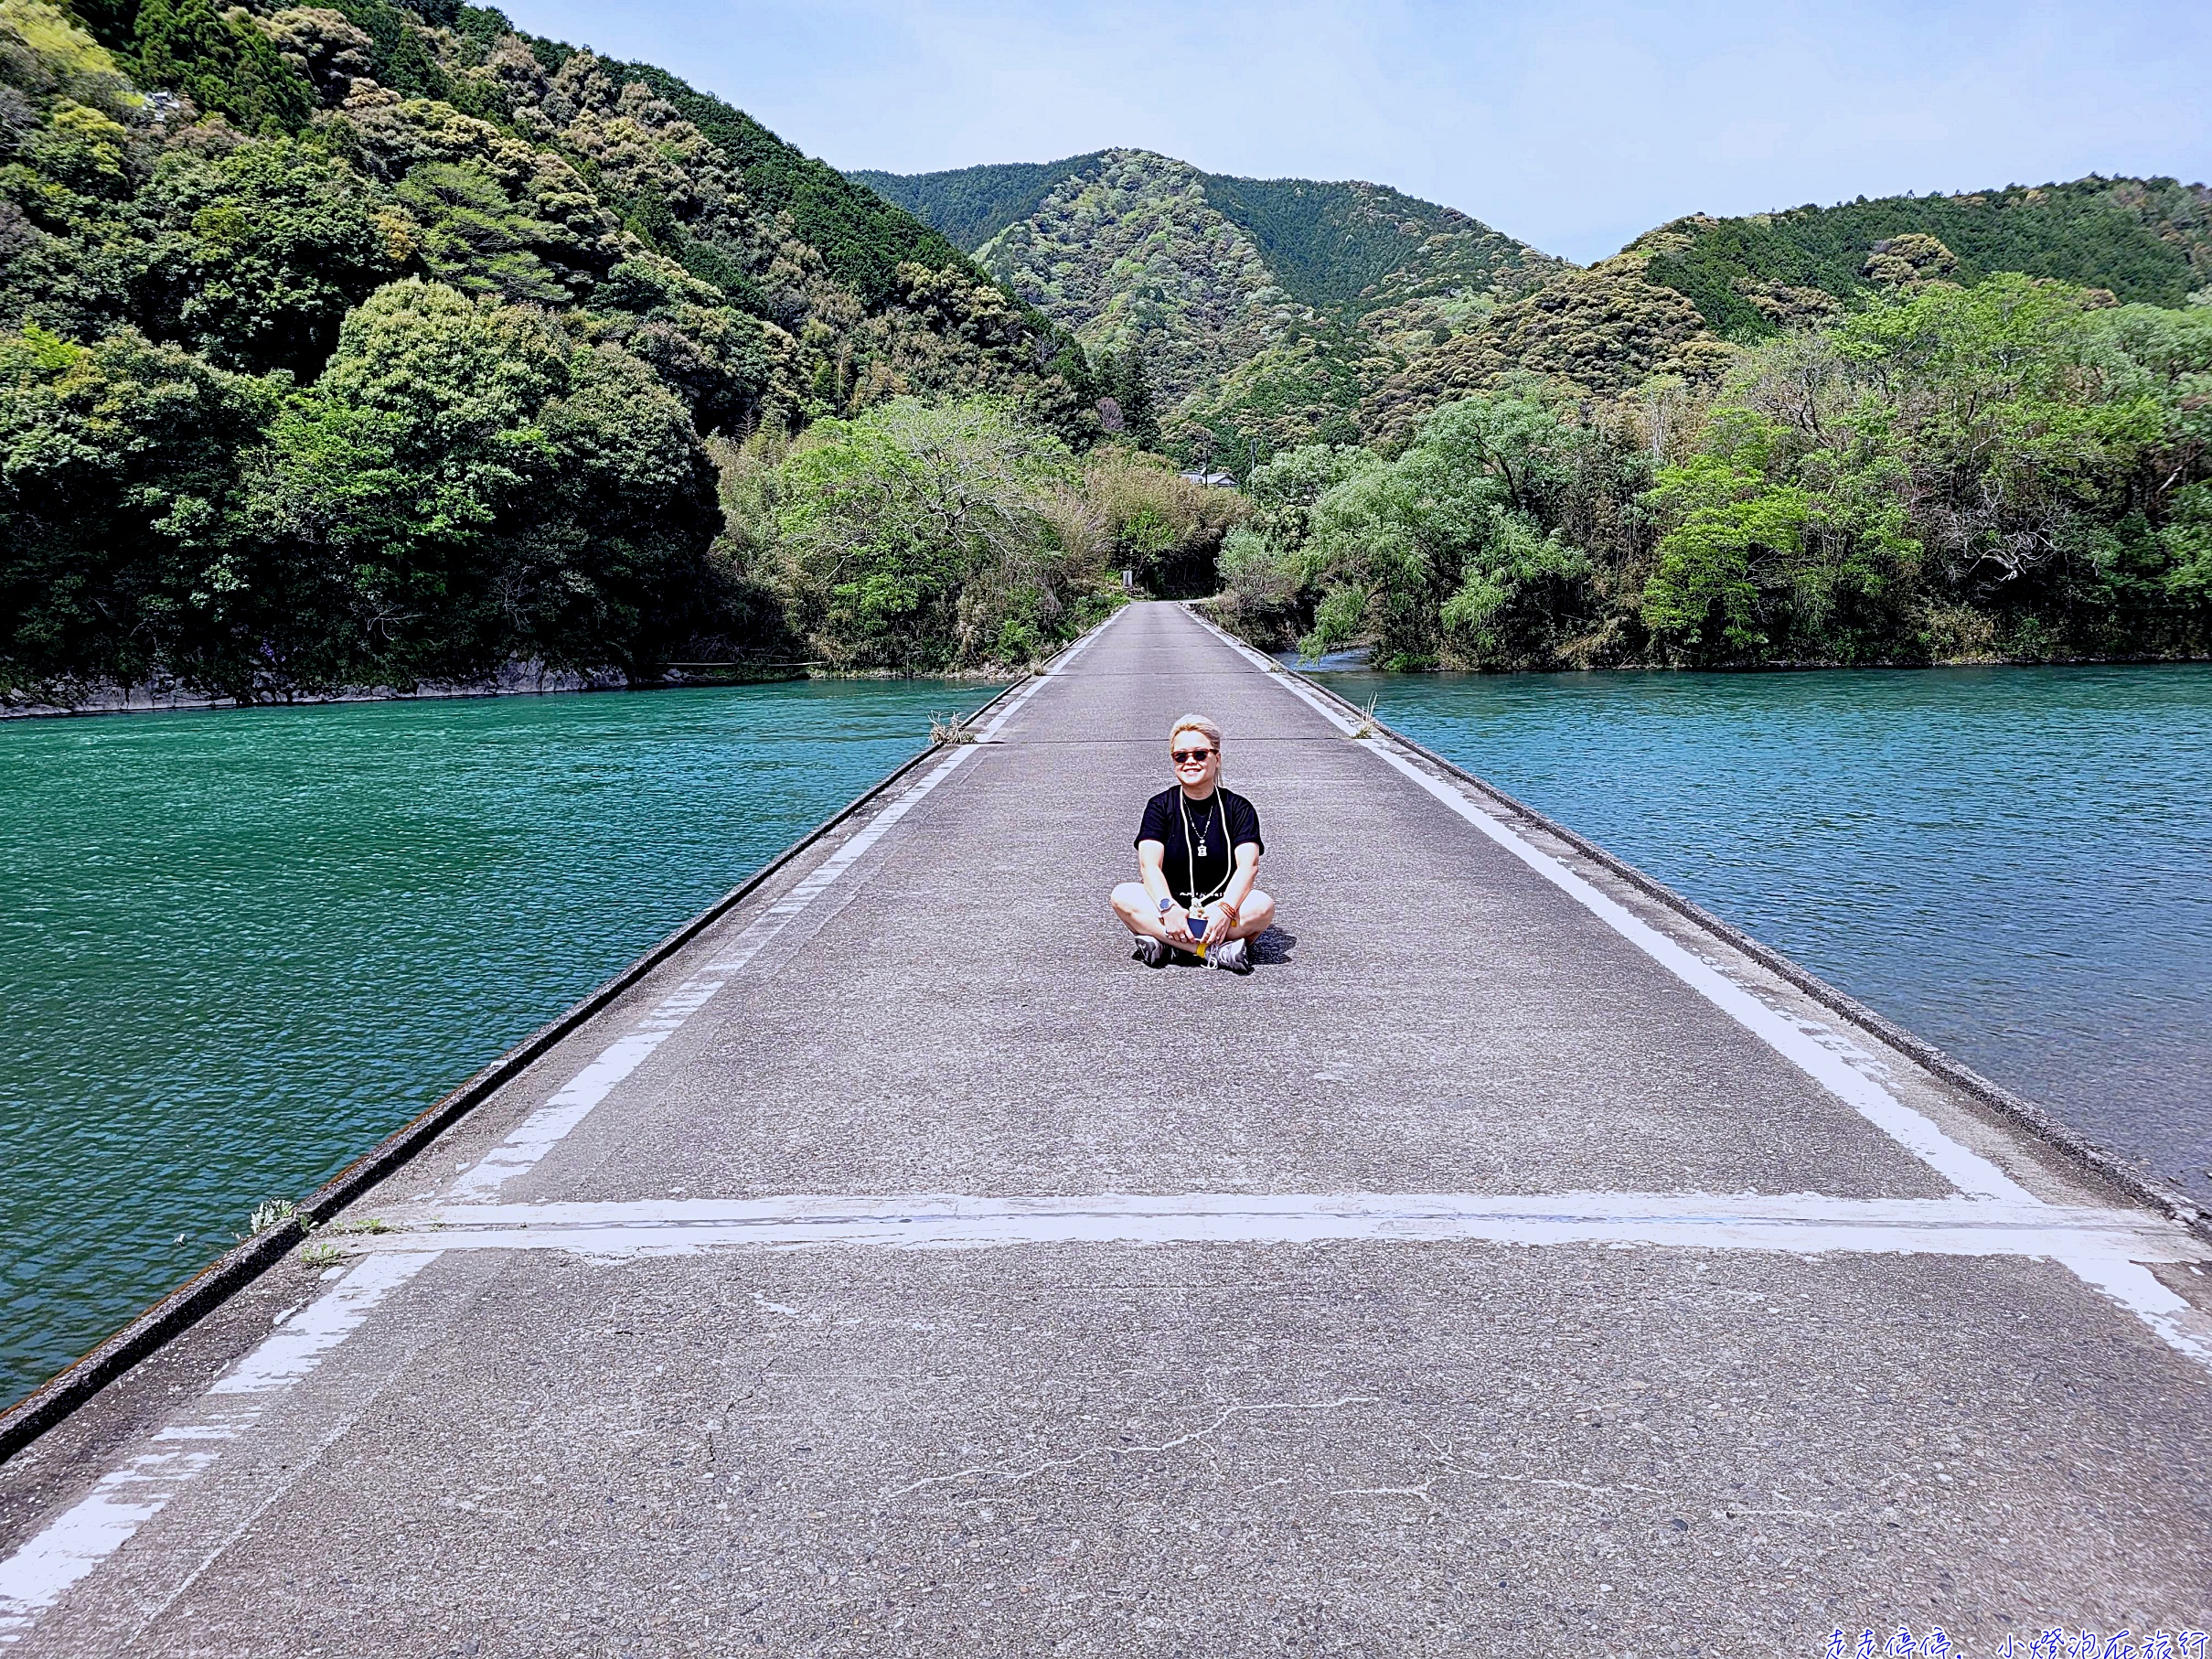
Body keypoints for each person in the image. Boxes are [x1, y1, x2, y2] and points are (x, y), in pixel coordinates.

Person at [1111, 714, 1275, 974]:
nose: (1190, 762)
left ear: (1217, 758)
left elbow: (1249, 866)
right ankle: (1211, 951)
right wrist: (1168, 908)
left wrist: (1225, 909)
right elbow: (1149, 866)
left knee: (1262, 906)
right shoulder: (1159, 806)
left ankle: (1170, 945)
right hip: (1171, 908)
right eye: (1181, 756)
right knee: (1122, 895)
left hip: (1219, 909)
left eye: (1200, 754)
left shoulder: (1239, 808)